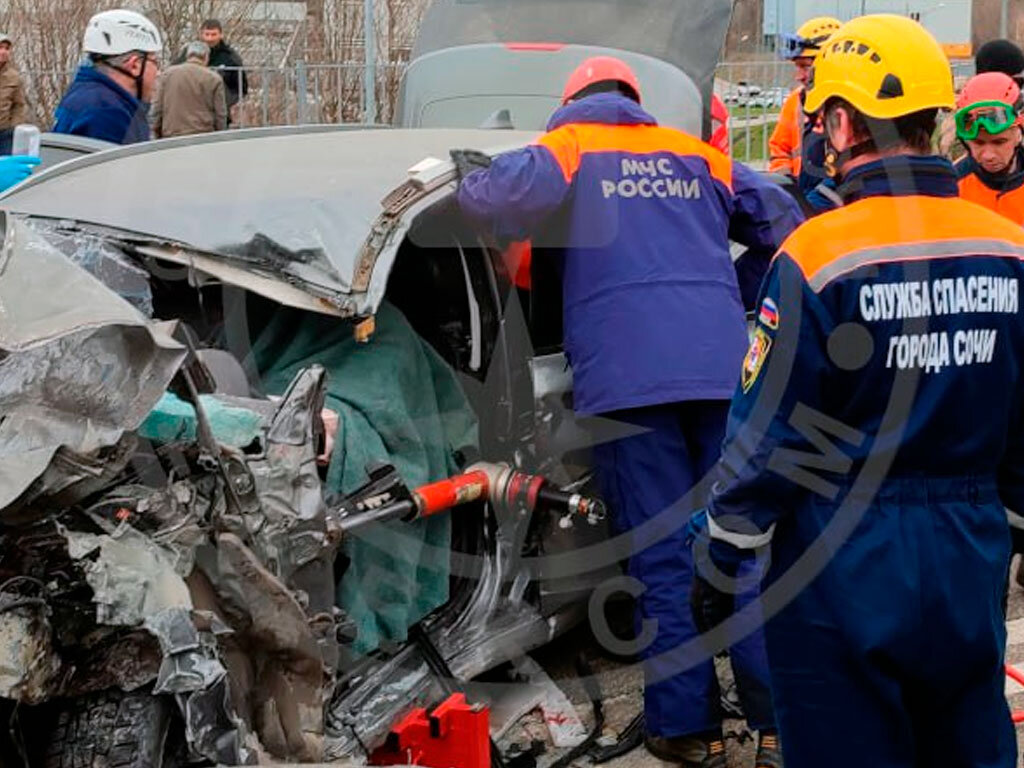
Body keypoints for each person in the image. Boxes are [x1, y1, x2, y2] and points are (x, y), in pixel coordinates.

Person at [691, 14, 1022, 767]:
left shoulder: (817, 253)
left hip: (839, 553)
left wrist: (724, 548)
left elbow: (769, 428)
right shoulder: (1007, 248)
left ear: (841, 125)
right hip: (969, 548)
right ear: (937, 119)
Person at [457, 55, 803, 768]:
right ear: (636, 101)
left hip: (630, 386)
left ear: (572, 102)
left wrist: (462, 173)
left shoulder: (572, 146)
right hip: (717, 370)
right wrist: (720, 283)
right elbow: (785, 218)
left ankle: (687, 728)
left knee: (662, 554)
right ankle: (778, 729)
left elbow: (498, 199)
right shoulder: (693, 152)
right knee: (738, 545)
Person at [53, 9, 161, 145]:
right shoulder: (110, 114)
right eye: (155, 62)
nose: (158, 73)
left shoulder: (84, 94)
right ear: (134, 65)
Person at [768, 16, 841, 180]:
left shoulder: (857, 107)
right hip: (803, 197)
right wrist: (787, 187)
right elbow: (780, 150)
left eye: (805, 67)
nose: (799, 77)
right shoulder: (796, 102)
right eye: (797, 67)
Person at [953, 72, 1024, 222]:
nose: (988, 155)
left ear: (1018, 134)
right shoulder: (951, 186)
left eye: (999, 142)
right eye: (978, 143)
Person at [151, 41, 227, 138]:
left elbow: (157, 108)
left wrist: (157, 133)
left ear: (187, 55)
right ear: (206, 57)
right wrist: (220, 137)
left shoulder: (167, 74)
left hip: (171, 135)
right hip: (203, 135)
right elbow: (220, 115)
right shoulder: (214, 79)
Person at [200, 19, 247, 121]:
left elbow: (241, 88)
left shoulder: (230, 58)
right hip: (193, 112)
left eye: (213, 34)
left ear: (221, 35)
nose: (210, 38)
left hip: (218, 114)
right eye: (207, 34)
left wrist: (223, 103)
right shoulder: (189, 54)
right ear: (201, 35)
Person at [0, 34, 28, 154]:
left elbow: (19, 105)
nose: (4, 52)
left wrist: (13, 127)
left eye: (7, 48)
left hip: (4, 134)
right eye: (0, 48)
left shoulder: (14, 77)